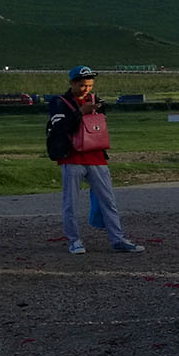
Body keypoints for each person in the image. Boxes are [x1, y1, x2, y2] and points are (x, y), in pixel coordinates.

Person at [46, 66, 143, 255]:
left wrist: (97, 109)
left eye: (89, 85)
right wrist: (81, 112)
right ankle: (74, 241)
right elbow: (60, 127)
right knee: (71, 203)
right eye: (82, 85)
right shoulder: (59, 102)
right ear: (72, 83)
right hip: (72, 157)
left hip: (96, 156)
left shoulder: (95, 100)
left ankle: (118, 239)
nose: (86, 89)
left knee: (108, 201)